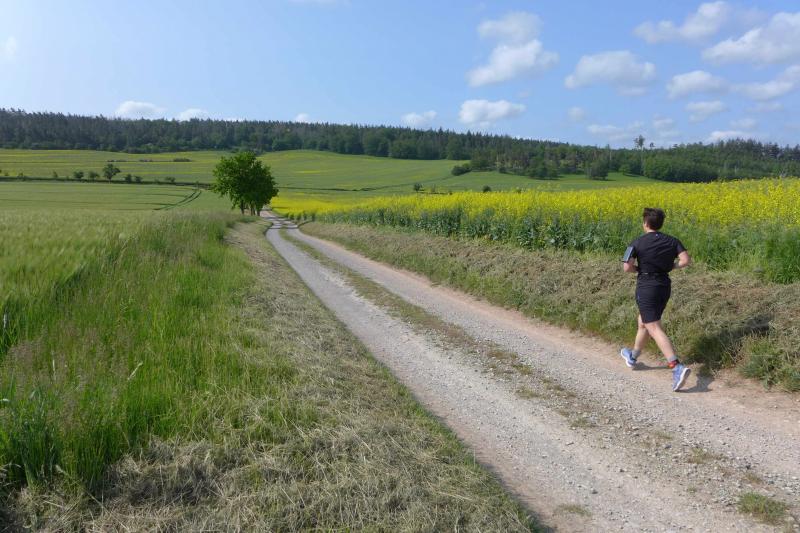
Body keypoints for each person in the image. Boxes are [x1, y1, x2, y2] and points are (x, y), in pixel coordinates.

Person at [620, 207, 692, 391]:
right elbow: (685, 260)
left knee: (653, 326)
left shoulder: (637, 242)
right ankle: (633, 356)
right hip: (664, 286)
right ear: (660, 223)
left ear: (645, 223)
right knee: (644, 321)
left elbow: (627, 267)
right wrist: (671, 267)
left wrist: (639, 269)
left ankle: (676, 366)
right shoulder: (672, 240)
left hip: (647, 286)